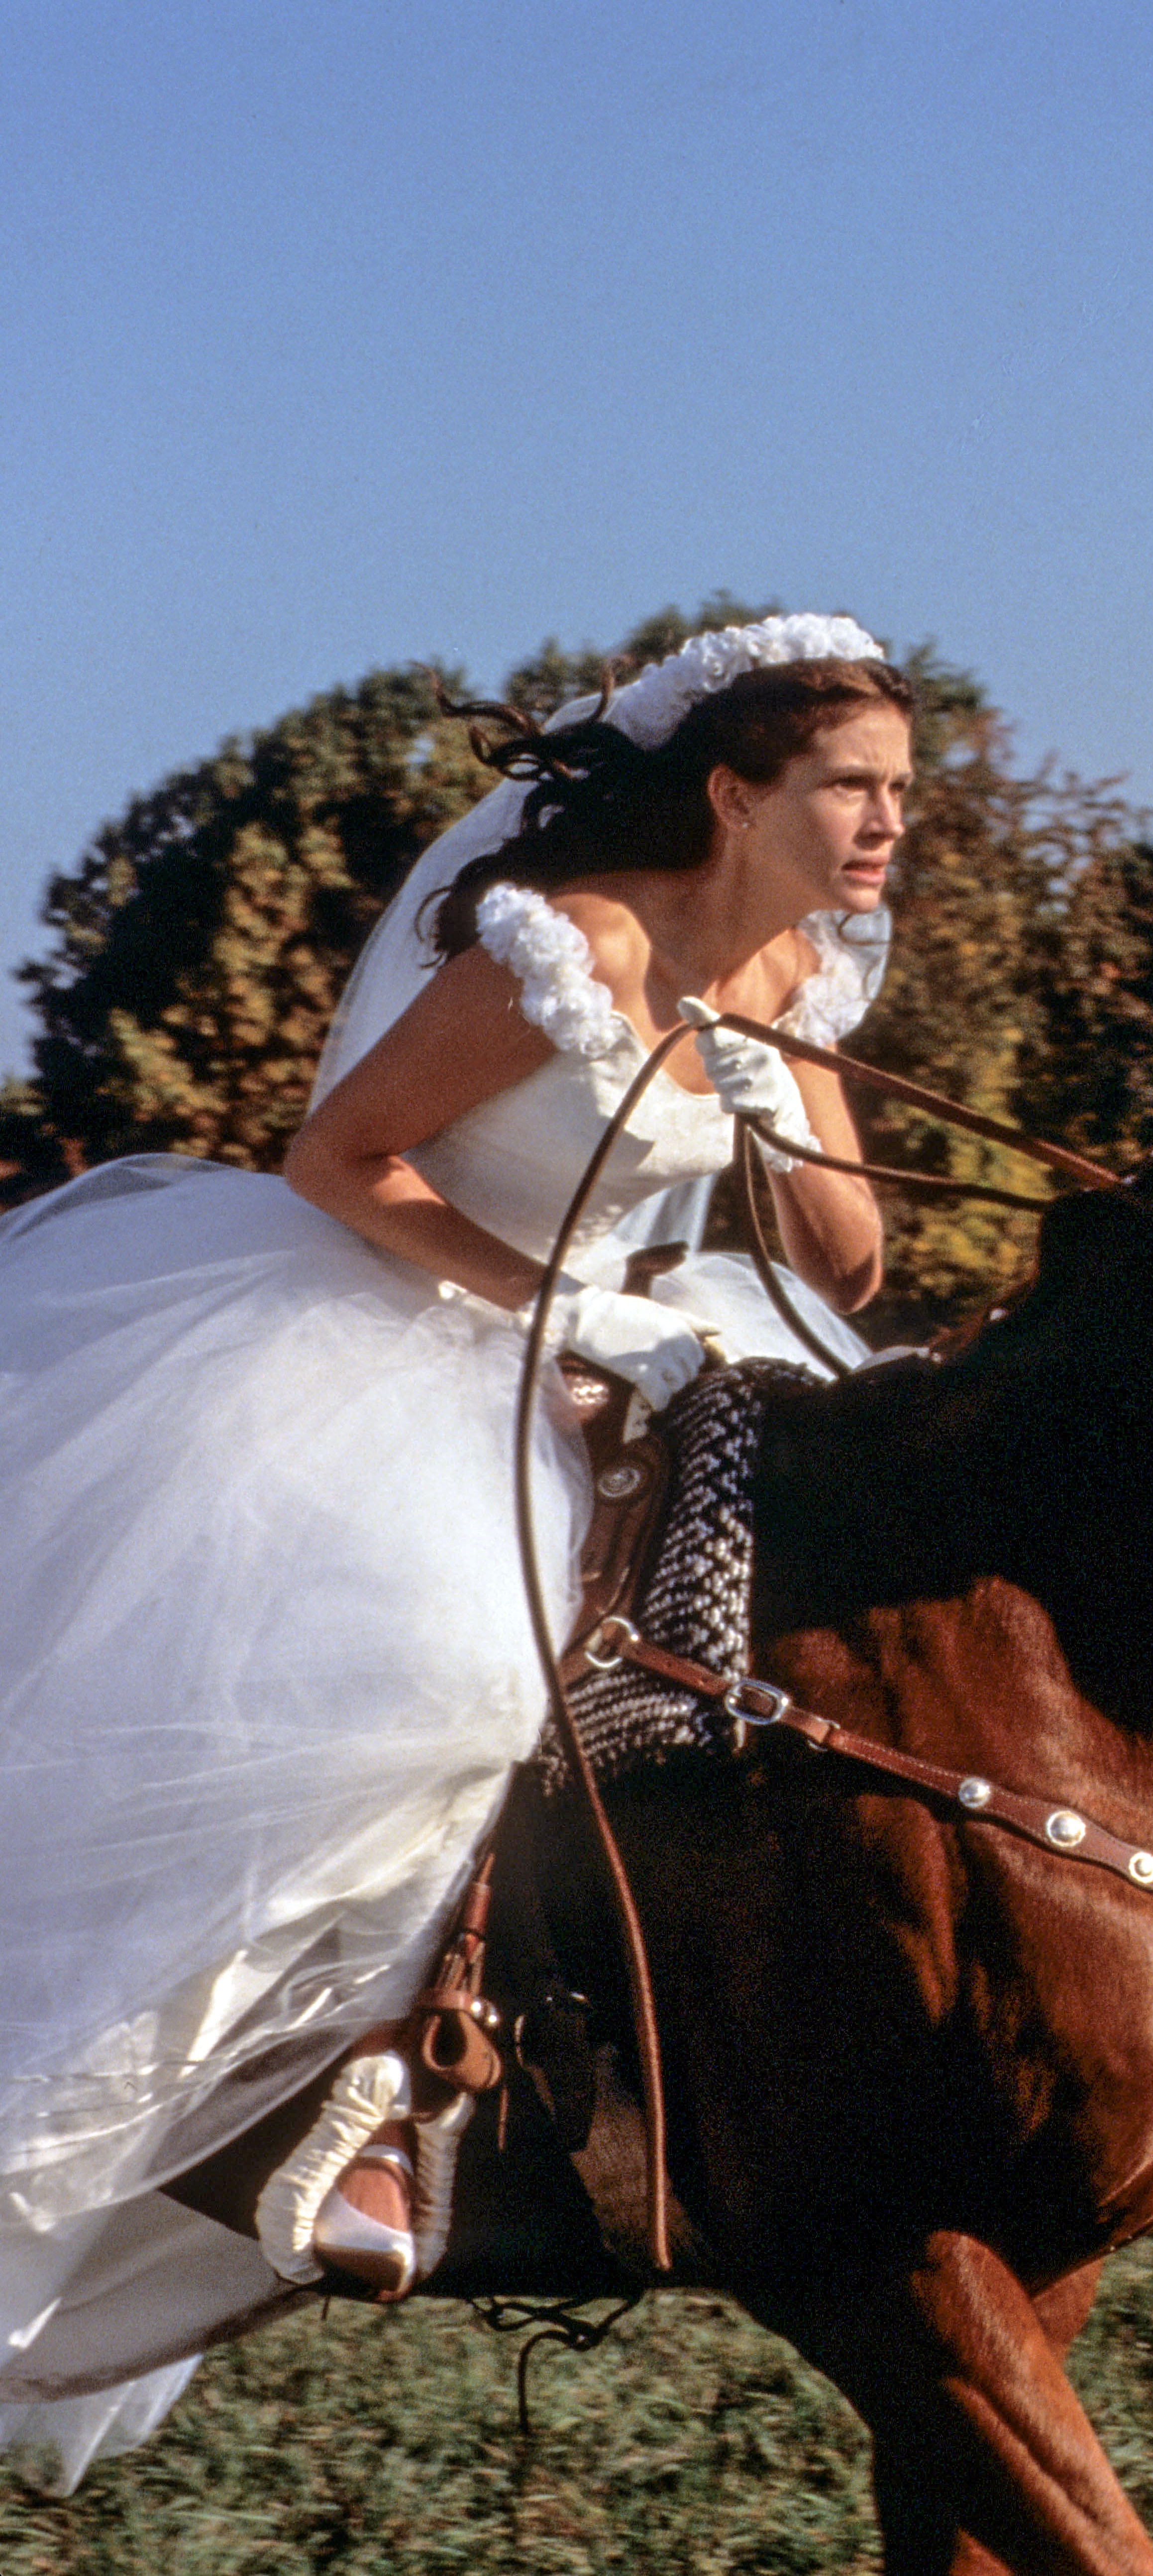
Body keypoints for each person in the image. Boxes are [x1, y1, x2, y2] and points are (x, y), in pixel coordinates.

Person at [0, 613, 914, 2485]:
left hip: (651, 1341)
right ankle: (351, 2100)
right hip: (403, 1333)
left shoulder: (800, 960)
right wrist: (561, 1314)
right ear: (739, 792)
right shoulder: (566, 941)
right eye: (853, 787)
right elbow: (341, 1161)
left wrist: (777, 1105)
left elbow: (848, 1272)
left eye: (905, 792)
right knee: (460, 1657)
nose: (892, 821)